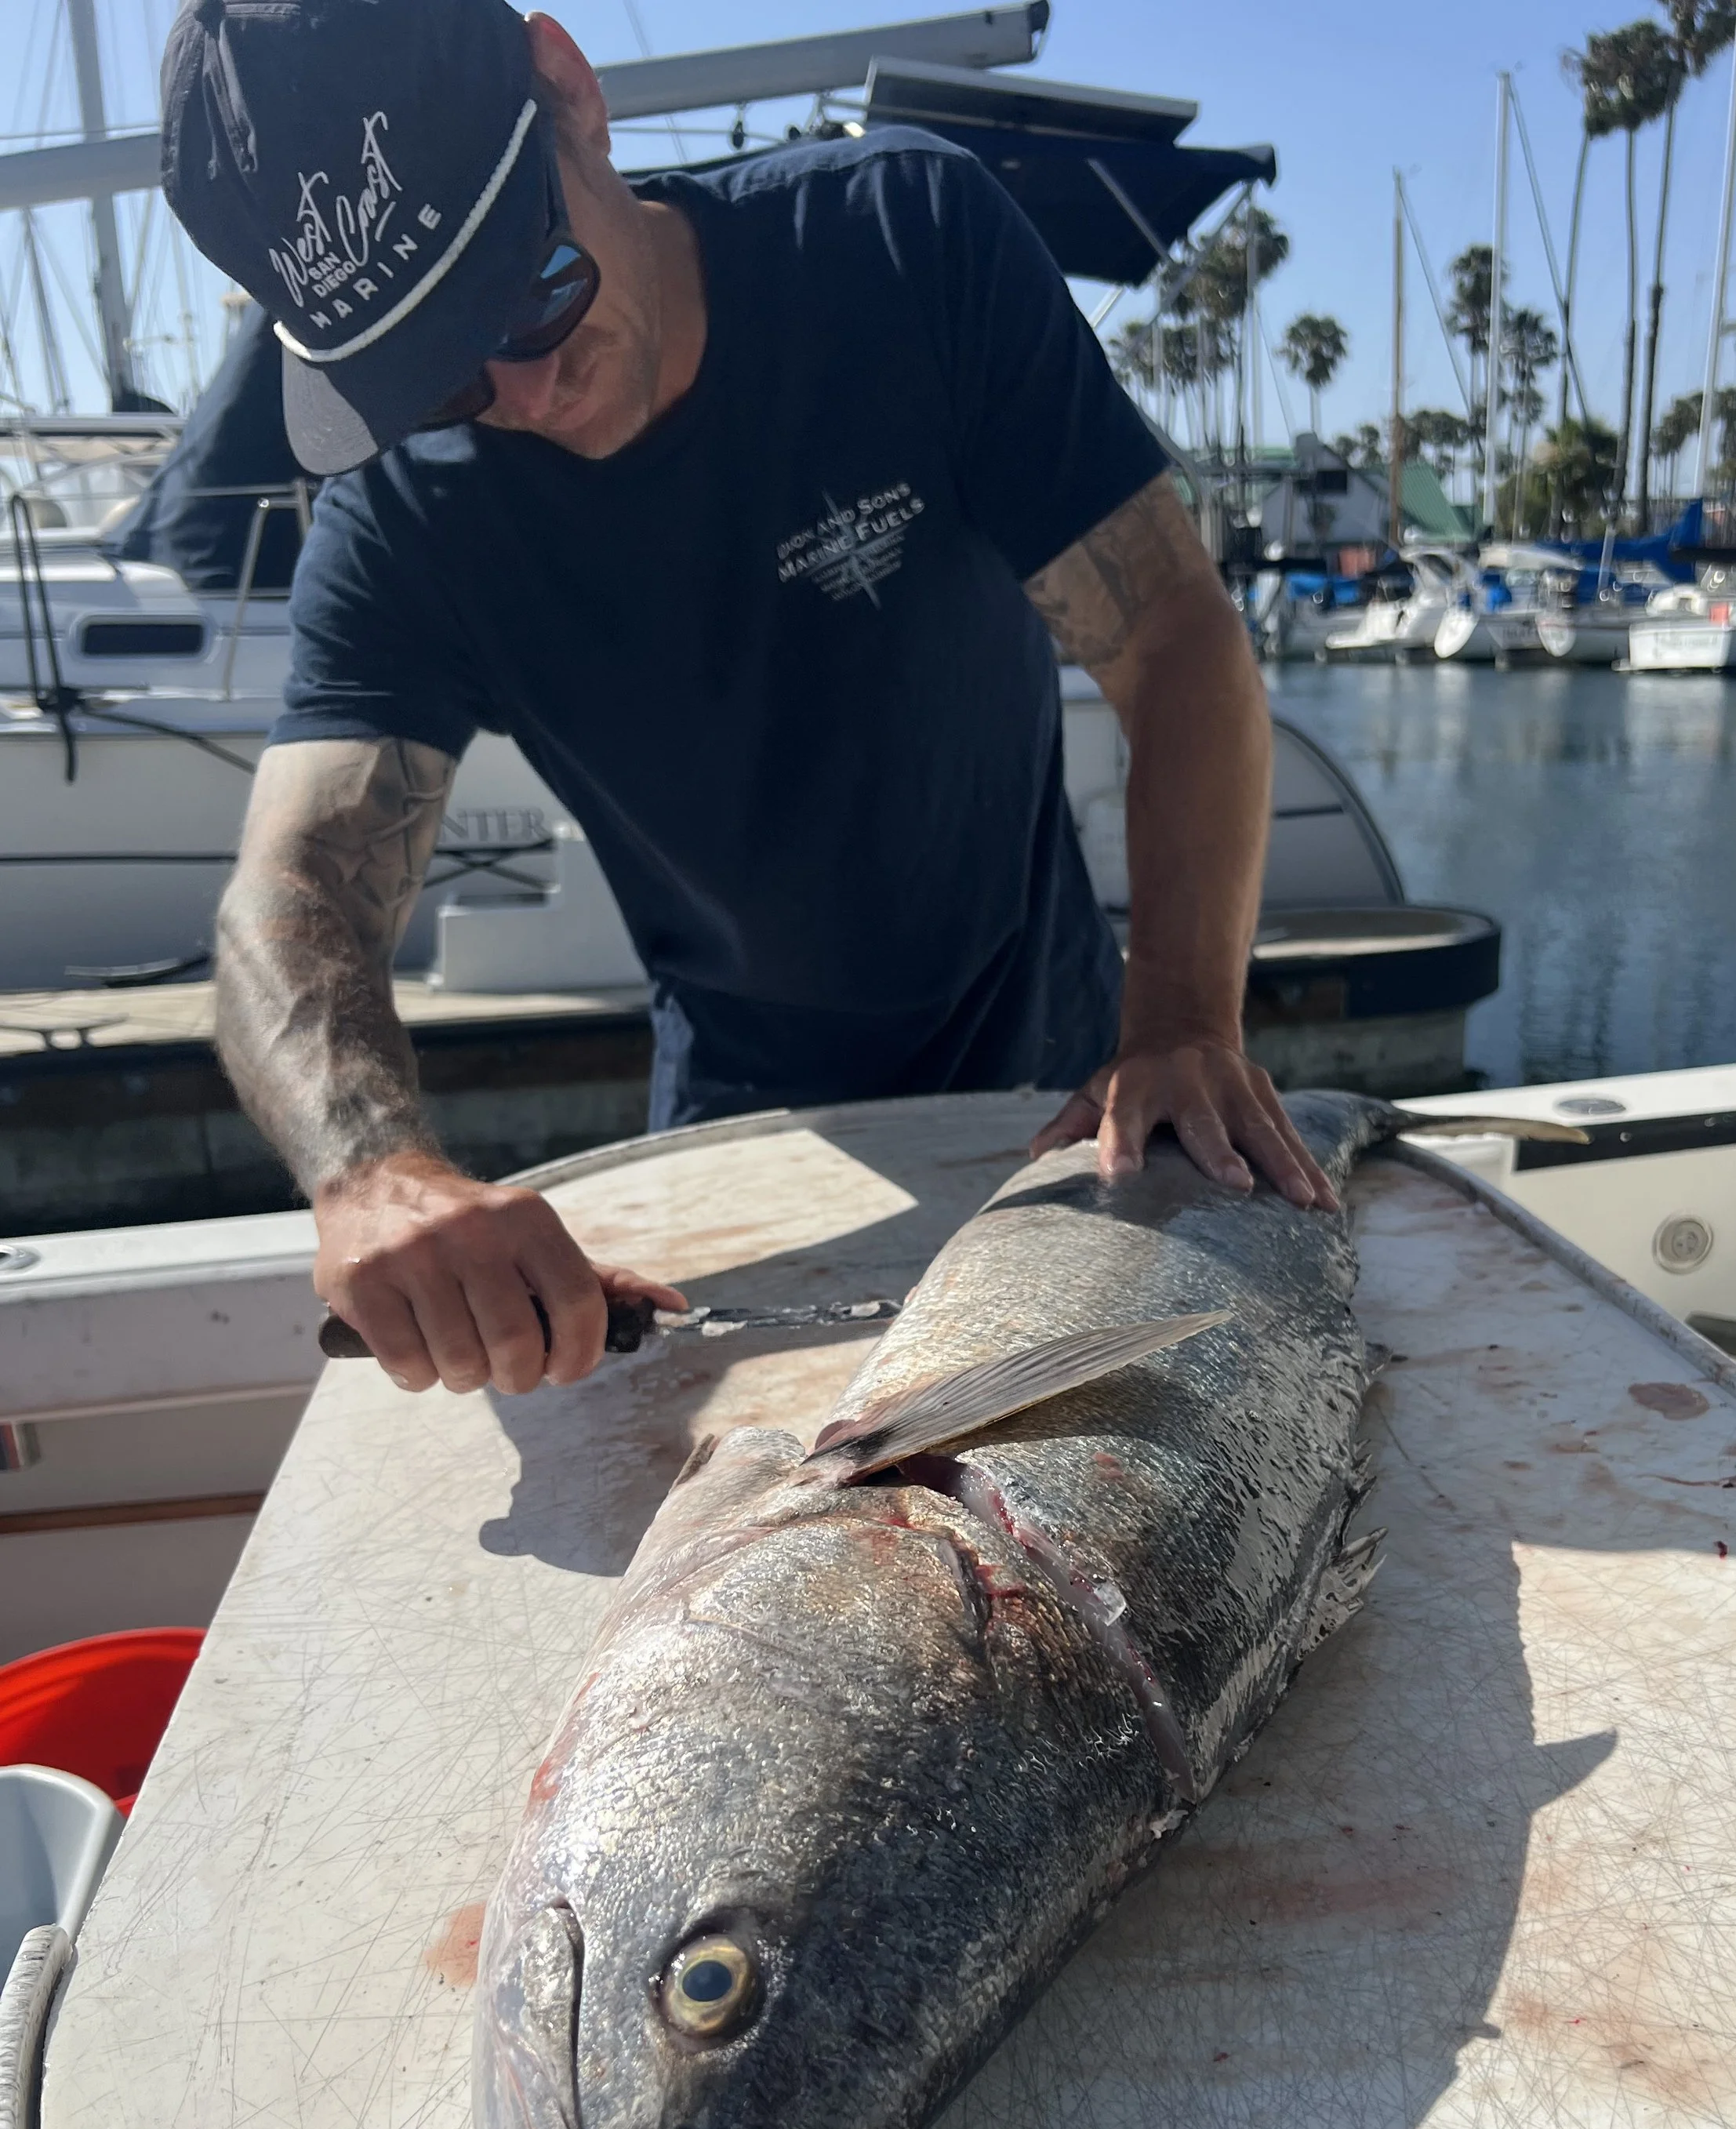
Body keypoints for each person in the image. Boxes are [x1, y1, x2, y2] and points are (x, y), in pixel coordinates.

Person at [160, 0, 1336, 1399]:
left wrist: (1188, 1020)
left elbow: (1177, 642)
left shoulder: (903, 247)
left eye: (535, 285)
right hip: (734, 1130)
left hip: (1068, 1090)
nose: (527, 392)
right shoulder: (412, 519)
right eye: (439, 380)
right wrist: (365, 1170)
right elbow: (289, 892)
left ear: (571, 92)